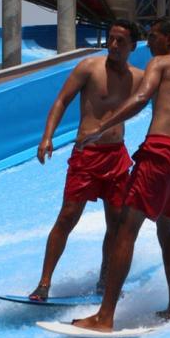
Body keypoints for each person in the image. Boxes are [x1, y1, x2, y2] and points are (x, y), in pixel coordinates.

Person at [72, 16, 170, 331]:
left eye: (153, 36)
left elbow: (140, 98)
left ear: (169, 38)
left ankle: (104, 317)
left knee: (125, 229)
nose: (148, 43)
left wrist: (100, 127)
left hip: (159, 153)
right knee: (167, 232)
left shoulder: (160, 63)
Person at [28, 19, 143, 301]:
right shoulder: (89, 68)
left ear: (132, 46)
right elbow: (61, 101)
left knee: (116, 223)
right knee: (68, 216)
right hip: (87, 156)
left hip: (117, 156)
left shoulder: (139, 77)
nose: (113, 45)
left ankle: (105, 281)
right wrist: (47, 137)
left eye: (120, 41)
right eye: (111, 39)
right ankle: (44, 284)